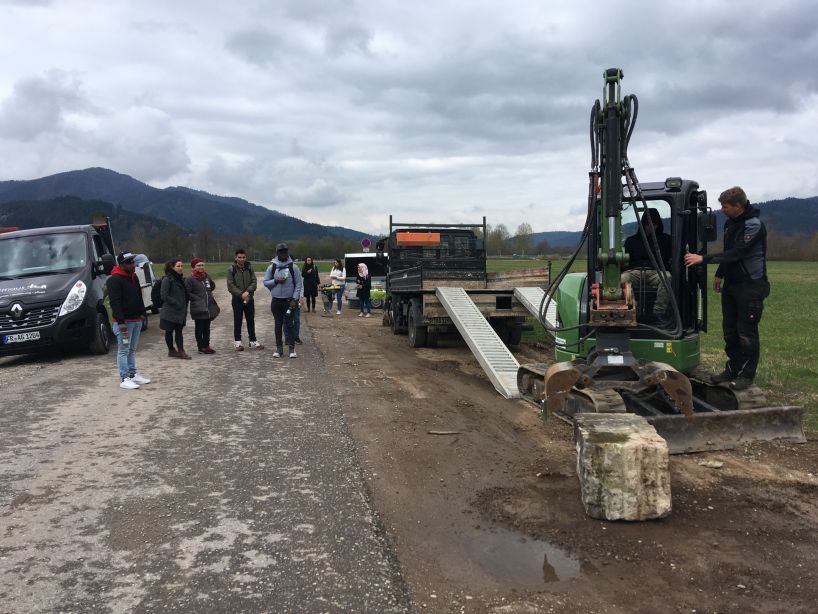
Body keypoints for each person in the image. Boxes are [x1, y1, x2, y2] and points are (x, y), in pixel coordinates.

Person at [684, 186, 769, 390]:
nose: (722, 210)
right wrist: (720, 274)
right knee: (729, 330)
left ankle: (746, 375)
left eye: (725, 206)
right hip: (732, 284)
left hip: (750, 286)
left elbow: (738, 253)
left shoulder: (753, 225)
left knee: (746, 332)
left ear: (738, 205)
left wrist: (702, 259)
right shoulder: (731, 224)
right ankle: (732, 369)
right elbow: (728, 252)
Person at [106, 252, 150, 389]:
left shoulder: (133, 277)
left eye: (133, 261)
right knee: (124, 350)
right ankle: (124, 378)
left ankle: (132, 374)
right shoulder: (114, 280)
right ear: (121, 265)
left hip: (136, 320)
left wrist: (142, 313)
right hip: (125, 323)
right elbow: (115, 302)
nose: (133, 264)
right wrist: (120, 322)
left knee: (132, 349)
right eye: (129, 262)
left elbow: (139, 296)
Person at [621, 207, 672, 322]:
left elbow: (671, 257)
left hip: (656, 272)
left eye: (654, 224)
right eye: (648, 225)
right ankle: (634, 309)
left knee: (667, 277)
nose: (651, 227)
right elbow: (625, 261)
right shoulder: (631, 241)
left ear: (658, 225)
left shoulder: (666, 240)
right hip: (635, 272)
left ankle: (659, 312)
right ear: (643, 224)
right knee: (622, 279)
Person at [263, 243, 303, 358]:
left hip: (289, 301)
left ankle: (291, 349)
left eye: (285, 252)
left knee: (290, 325)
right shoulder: (272, 267)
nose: (284, 254)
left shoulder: (293, 267)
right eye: (281, 252)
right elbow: (265, 282)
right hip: (276, 301)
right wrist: (276, 281)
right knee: (278, 325)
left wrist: (295, 298)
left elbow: (298, 284)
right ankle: (279, 349)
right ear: (277, 253)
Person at [226, 248, 263, 351]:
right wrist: (241, 294)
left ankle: (253, 340)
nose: (241, 259)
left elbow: (254, 281)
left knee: (250, 319)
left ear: (246, 257)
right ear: (235, 258)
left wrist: (248, 291)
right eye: (239, 257)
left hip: (249, 298)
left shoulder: (249, 268)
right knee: (238, 320)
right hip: (237, 299)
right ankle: (238, 342)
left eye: (243, 257)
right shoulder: (231, 269)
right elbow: (230, 286)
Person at [185, 258, 219, 354]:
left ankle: (206, 345)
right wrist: (197, 299)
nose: (201, 267)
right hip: (198, 307)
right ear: (194, 267)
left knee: (206, 327)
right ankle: (201, 347)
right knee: (199, 327)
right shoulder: (190, 279)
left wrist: (210, 282)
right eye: (198, 265)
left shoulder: (206, 276)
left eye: (202, 265)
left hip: (208, 306)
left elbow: (211, 287)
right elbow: (187, 292)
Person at [159, 259, 192, 359]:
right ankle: (171, 350)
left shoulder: (181, 279)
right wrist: (176, 303)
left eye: (182, 266)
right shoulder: (167, 279)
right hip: (170, 311)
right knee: (169, 331)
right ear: (172, 267)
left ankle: (181, 351)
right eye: (178, 266)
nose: (181, 268)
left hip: (180, 311)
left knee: (179, 331)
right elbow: (164, 296)